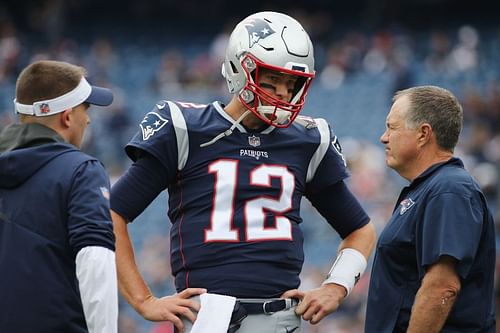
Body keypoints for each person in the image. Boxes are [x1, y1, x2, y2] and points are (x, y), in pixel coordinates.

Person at [111, 11, 376, 333]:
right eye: (272, 79)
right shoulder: (186, 128)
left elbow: (360, 229)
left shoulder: (307, 140)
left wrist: (337, 286)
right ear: (239, 69)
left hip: (281, 319)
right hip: (207, 317)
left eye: (291, 83)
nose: (282, 92)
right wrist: (142, 299)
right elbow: (113, 213)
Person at [365, 86, 496, 333]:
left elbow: (442, 286)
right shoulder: (431, 189)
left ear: (423, 133)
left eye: (392, 127)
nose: (384, 137)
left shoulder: (450, 189)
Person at [0, 60, 118, 333]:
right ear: (67, 116)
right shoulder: (82, 171)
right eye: (85, 109)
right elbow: (95, 260)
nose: (88, 119)